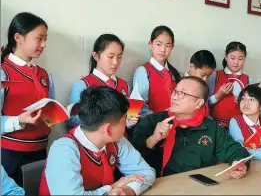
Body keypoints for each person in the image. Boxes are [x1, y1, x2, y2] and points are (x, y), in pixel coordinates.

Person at [40, 86, 155, 195]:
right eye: (125, 120)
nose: (126, 125)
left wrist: (127, 190)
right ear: (109, 129)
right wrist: (113, 187)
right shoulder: (64, 149)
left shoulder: (116, 141)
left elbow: (146, 172)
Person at [131, 76, 250, 178]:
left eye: (182, 93)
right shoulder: (152, 122)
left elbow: (237, 152)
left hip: (198, 187)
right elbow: (130, 160)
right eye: (175, 91)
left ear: (198, 103)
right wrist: (152, 140)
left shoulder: (211, 128)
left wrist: (238, 165)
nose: (175, 97)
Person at [1, 12, 55, 186]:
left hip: (40, 151)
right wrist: (18, 120)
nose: (44, 45)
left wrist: (58, 115)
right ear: (19, 38)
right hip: (11, 154)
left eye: (45, 39)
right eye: (39, 39)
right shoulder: (4, 72)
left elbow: (50, 113)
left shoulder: (45, 75)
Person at [67, 34, 138, 132]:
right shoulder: (84, 84)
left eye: (119, 57)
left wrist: (130, 122)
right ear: (96, 56)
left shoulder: (124, 85)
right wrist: (97, 116)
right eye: (110, 56)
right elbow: (70, 121)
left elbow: (128, 117)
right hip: (93, 144)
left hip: (121, 143)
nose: (115, 62)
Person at [130, 25, 181, 117]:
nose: (163, 50)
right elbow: (137, 106)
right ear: (150, 44)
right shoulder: (143, 71)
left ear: (172, 47)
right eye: (158, 44)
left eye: (168, 46)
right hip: (152, 125)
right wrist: (160, 118)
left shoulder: (174, 73)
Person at [208, 42, 252, 128]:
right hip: (215, 126)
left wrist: (242, 102)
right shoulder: (213, 76)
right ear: (226, 57)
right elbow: (203, 104)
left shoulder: (249, 80)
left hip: (240, 127)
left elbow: (253, 107)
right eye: (232, 58)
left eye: (240, 59)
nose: (236, 62)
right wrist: (218, 95)